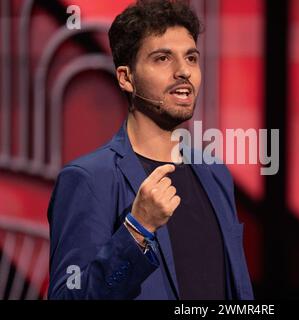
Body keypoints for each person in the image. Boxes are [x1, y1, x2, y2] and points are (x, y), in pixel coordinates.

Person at [47, 0, 253, 300]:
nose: (184, 71)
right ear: (126, 78)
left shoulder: (216, 173)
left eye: (191, 58)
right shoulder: (89, 179)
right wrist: (137, 229)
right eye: (162, 58)